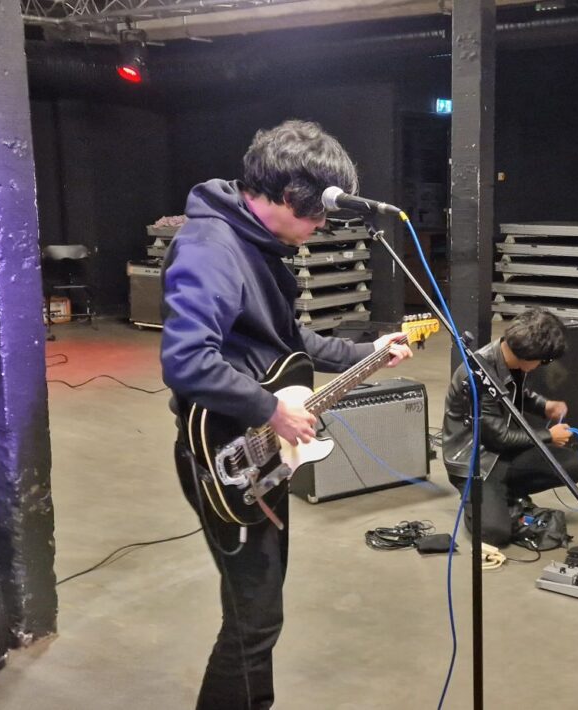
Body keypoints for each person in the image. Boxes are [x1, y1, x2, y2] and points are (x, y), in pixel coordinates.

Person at [159, 119, 413, 710]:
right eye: (317, 213)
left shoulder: (257, 245)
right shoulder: (211, 248)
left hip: (259, 453)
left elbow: (287, 342)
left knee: (261, 611)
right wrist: (271, 409)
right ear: (286, 194)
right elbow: (185, 360)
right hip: (223, 455)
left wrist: (367, 353)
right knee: (254, 621)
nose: (321, 226)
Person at [440, 307, 578, 548]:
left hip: (504, 454)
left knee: (572, 465)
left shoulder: (509, 357)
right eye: (543, 360)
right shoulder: (476, 376)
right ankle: (478, 501)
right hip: (476, 463)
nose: (542, 365)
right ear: (528, 356)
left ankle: (505, 494)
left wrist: (544, 406)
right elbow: (498, 437)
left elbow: (516, 393)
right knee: (495, 533)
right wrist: (548, 435)